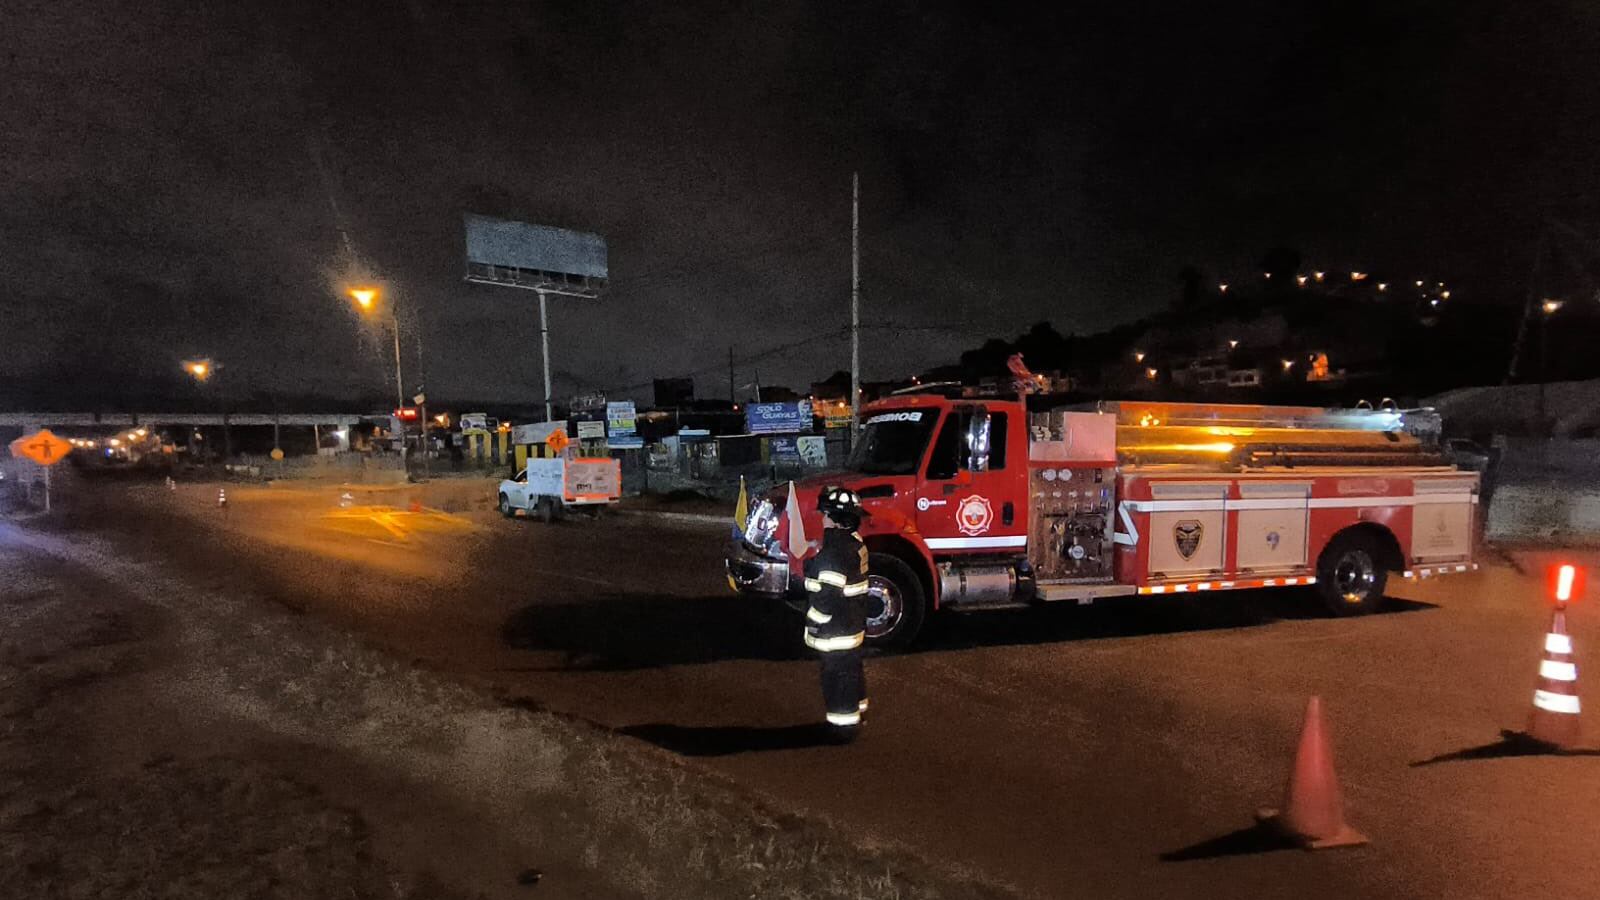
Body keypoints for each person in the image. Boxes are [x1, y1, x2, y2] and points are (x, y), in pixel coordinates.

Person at [803, 486, 871, 740]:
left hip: (835, 630)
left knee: (837, 677)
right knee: (853, 671)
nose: (822, 519)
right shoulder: (854, 544)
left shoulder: (834, 553)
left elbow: (827, 597)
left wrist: (813, 622)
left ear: (835, 519)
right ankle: (858, 712)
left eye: (825, 515)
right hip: (852, 626)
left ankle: (843, 728)